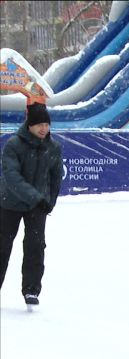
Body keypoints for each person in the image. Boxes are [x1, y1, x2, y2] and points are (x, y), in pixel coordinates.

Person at [0, 103, 64, 307]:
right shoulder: (13, 145)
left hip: (38, 206)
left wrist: (49, 201)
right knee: (2, 246)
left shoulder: (53, 147)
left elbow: (56, 177)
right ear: (29, 125)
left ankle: (31, 290)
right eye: (39, 124)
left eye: (46, 124)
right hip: (10, 203)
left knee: (35, 247)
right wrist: (36, 197)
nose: (43, 129)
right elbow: (12, 177)